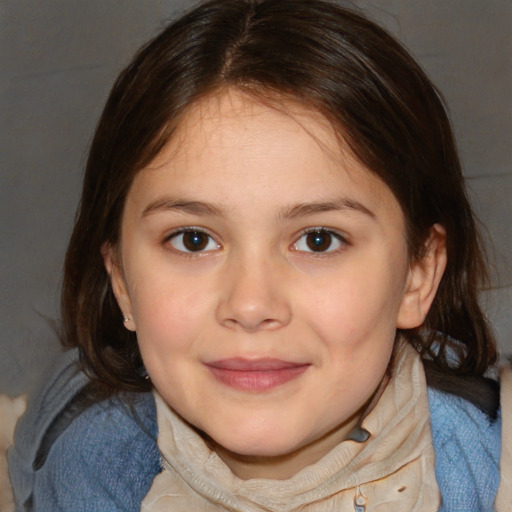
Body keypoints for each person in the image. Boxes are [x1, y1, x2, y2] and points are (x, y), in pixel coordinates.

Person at [7, 0, 511, 510]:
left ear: (417, 276)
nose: (250, 305)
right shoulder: (86, 468)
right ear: (121, 281)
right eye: (194, 240)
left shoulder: (485, 467)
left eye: (319, 240)